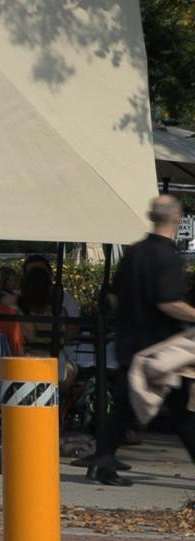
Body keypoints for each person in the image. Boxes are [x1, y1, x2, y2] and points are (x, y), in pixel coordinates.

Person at [86, 195, 195, 485]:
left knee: (125, 405)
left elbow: (112, 295)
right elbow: (168, 302)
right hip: (161, 347)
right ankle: (102, 460)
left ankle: (102, 459)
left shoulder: (134, 253)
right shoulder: (169, 258)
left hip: (129, 341)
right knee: (182, 412)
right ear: (177, 218)